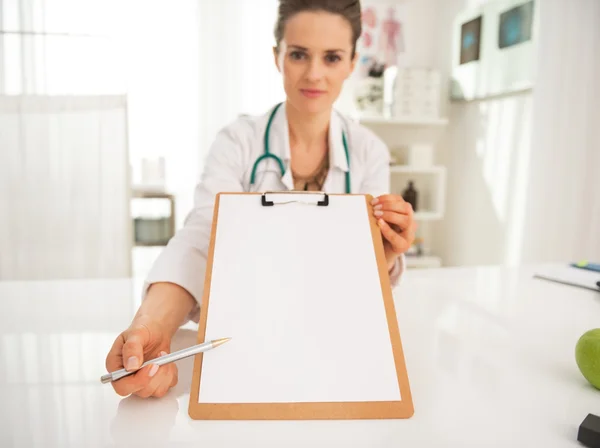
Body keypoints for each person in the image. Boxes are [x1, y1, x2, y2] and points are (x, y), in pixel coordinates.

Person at [105, 0, 417, 399]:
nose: (314, 73)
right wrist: (152, 328)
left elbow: (361, 271)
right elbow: (202, 239)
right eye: (299, 54)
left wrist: (386, 251)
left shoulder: (368, 152)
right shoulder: (239, 141)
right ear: (277, 56)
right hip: (243, 338)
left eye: (333, 57)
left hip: (330, 343)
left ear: (352, 62)